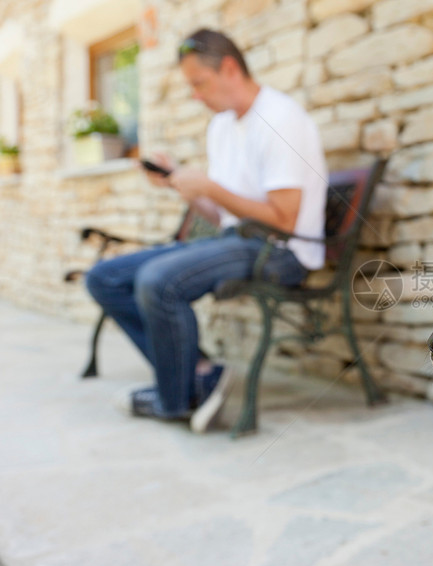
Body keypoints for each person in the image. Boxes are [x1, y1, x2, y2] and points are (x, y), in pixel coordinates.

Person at [86, 28, 328, 432]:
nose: (195, 95)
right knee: (104, 277)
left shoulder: (281, 117)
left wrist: (210, 187)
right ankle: (197, 374)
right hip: (239, 239)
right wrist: (184, 187)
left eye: (199, 83)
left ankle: (173, 399)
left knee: (158, 280)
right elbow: (224, 217)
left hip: (283, 251)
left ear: (230, 68)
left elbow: (283, 220)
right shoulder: (221, 127)